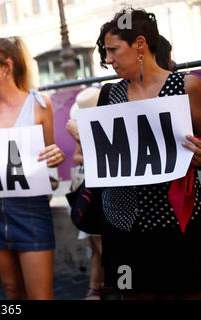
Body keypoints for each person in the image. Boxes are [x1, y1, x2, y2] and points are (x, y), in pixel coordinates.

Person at [94, 8, 201, 299]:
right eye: (106, 52)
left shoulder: (186, 87)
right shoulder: (109, 94)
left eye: (114, 50)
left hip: (176, 218)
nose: (108, 60)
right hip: (123, 222)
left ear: (140, 44)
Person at [0, 36, 65, 300]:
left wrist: (55, 159)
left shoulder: (39, 105)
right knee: (12, 291)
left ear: (6, 66)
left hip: (30, 209)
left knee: (40, 296)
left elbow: (51, 168)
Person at [67, 87, 104, 300]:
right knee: (95, 240)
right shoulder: (81, 131)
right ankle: (97, 285)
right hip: (89, 188)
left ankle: (105, 285)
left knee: (102, 242)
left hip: (105, 187)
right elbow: (77, 157)